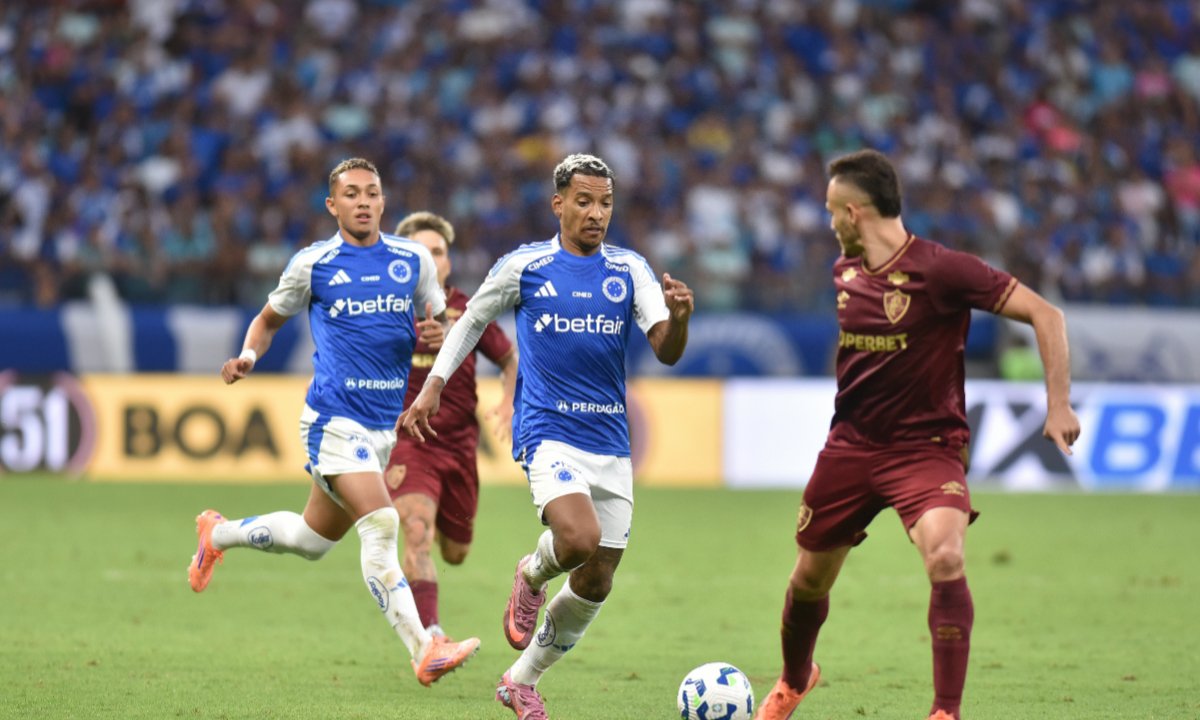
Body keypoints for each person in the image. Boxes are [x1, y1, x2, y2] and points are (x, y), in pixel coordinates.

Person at [755, 149, 1081, 720]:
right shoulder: (844, 272)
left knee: (947, 558)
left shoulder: (943, 271)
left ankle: (944, 713)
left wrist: (1057, 405)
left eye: (832, 211)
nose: (828, 223)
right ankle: (794, 679)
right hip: (852, 447)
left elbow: (1046, 315)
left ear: (854, 213)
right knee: (808, 581)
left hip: (925, 451)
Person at [399, 153, 694, 720]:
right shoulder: (526, 266)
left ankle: (521, 681)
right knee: (577, 538)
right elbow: (471, 320)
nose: (595, 213)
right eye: (583, 201)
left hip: (610, 439)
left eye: (605, 203)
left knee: (597, 579)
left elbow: (666, 348)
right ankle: (532, 573)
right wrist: (433, 385)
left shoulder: (628, 269)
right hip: (549, 430)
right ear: (558, 204)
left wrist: (679, 319)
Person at [188, 157, 481, 688]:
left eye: (372, 192)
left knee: (310, 540)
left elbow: (438, 324)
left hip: (381, 429)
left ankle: (218, 534)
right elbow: (267, 320)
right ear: (333, 205)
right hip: (332, 420)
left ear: (383, 202)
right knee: (383, 523)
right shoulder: (314, 263)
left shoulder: (412, 259)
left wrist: (437, 334)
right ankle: (424, 646)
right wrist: (249, 357)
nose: (363, 201)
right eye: (352, 194)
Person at [385, 210, 519, 639]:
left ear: (448, 260)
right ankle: (431, 638)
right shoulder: (386, 307)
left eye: (438, 251)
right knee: (417, 532)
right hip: (408, 442)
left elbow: (510, 357)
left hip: (460, 445)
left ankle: (437, 521)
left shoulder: (468, 309)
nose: (431, 258)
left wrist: (510, 400)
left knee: (457, 552)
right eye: (421, 251)